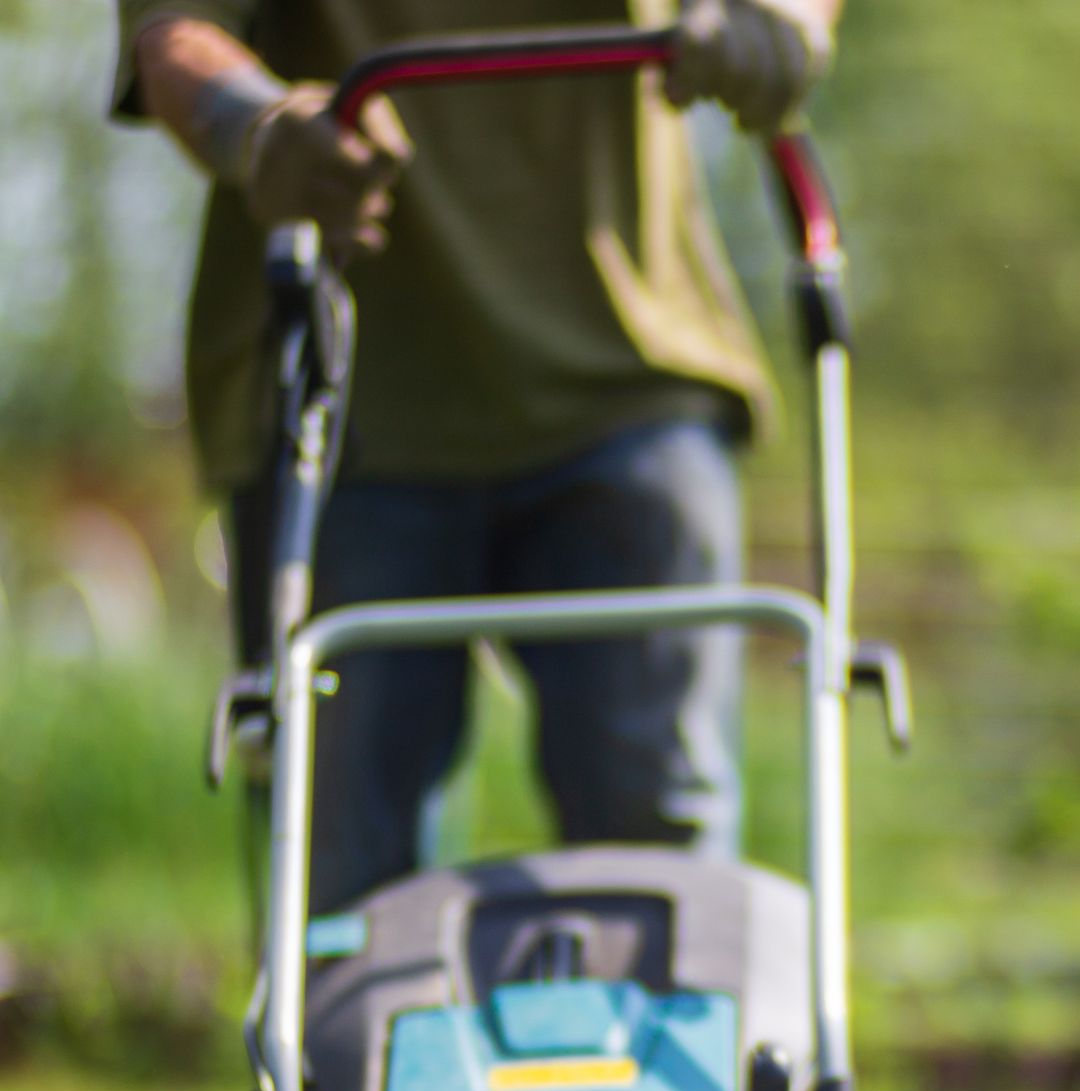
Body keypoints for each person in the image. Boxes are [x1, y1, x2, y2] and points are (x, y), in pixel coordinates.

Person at [112, 0, 840, 915]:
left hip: (629, 368)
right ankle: (346, 1059)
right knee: (343, 883)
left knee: (664, 856)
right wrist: (257, 127)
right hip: (341, 401)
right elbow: (172, 33)